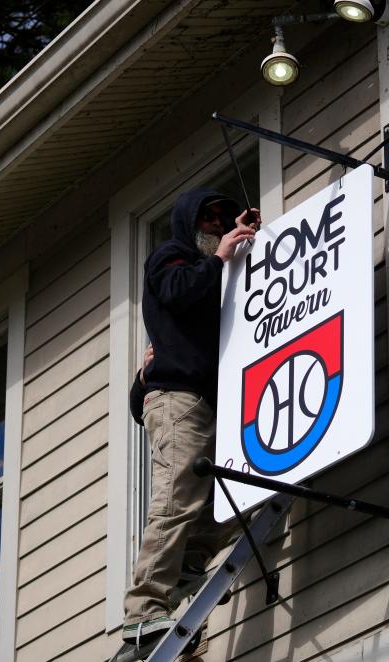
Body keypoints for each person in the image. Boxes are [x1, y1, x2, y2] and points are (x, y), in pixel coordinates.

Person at [116, 188, 260, 661]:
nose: (218, 228)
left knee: (235, 497)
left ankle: (185, 566)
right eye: (210, 220)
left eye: (224, 222)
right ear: (188, 224)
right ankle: (143, 613)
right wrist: (220, 257)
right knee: (177, 498)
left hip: (205, 406)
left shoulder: (210, 287)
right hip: (180, 402)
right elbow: (178, 290)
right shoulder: (170, 257)